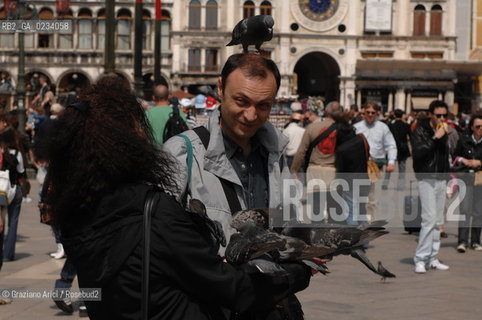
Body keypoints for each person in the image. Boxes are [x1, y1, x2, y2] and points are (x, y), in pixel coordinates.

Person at [44, 75, 311, 319]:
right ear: (124, 142)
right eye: (139, 127)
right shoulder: (152, 211)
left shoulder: (76, 214)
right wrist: (297, 273)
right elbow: (232, 288)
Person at [164, 53, 310, 319]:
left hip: (271, 304)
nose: (251, 115)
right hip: (209, 308)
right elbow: (161, 244)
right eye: (241, 101)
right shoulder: (181, 153)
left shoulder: (275, 155)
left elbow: (290, 220)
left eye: (263, 105)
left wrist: (302, 259)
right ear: (221, 88)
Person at [411, 100, 451, 273]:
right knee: (428, 219)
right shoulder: (420, 129)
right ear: (430, 114)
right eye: (438, 115)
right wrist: (436, 137)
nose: (441, 118)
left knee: (438, 221)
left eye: (444, 115)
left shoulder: (445, 130)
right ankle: (420, 258)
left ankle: (432, 257)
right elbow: (419, 152)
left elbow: (444, 154)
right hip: (426, 177)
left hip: (441, 177)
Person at [290, 102, 343, 221]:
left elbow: (301, 152)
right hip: (334, 172)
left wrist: (293, 170)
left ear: (325, 112)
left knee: (316, 208)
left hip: (315, 171)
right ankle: (334, 236)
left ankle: (317, 235)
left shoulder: (312, 128)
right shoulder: (343, 130)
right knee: (334, 209)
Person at [354, 101, 397, 219]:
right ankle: (359, 219)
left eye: (373, 112)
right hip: (360, 165)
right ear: (363, 112)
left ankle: (371, 221)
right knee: (358, 194)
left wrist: (391, 162)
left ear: (377, 114)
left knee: (373, 196)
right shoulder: (357, 127)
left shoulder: (383, 128)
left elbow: (391, 145)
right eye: (368, 112)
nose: (370, 115)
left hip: (376, 165)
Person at [453, 114, 482, 253]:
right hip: (466, 178)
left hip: (480, 179)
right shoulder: (464, 140)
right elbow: (454, 156)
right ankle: (462, 241)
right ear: (472, 127)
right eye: (478, 126)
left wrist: (480, 162)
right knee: (465, 210)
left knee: (478, 211)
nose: (481, 129)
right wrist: (463, 160)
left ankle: (475, 241)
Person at [0, 127, 24, 262]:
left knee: (0, 221)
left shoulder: (1, 152)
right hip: (15, 190)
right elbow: (21, 172)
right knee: (12, 223)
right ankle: (8, 255)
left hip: (1, 190)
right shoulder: (17, 154)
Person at [146, 82, 187, 146]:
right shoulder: (177, 111)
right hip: (173, 151)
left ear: (153, 97)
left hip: (153, 151)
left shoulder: (147, 113)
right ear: (168, 96)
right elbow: (188, 130)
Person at [385, 109, 411, 190]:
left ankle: (385, 184)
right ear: (402, 115)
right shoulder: (406, 125)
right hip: (403, 149)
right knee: (402, 169)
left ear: (395, 115)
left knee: (389, 167)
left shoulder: (390, 125)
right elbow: (410, 136)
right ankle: (401, 186)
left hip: (392, 148)